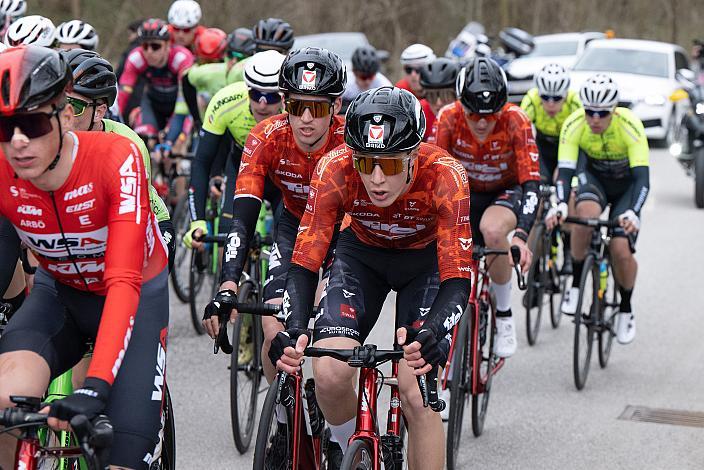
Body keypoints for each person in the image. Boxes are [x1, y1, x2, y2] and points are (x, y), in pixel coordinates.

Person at [268, 86, 472, 469]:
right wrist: (292, 328)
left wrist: (434, 334)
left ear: (413, 156)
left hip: (424, 265)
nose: (377, 178)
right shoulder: (334, 168)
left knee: (416, 390)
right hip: (362, 257)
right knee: (328, 370)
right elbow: (305, 263)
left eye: (391, 165)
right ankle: (349, 452)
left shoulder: (446, 175)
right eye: (366, 163)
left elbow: (458, 280)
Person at [0, 45, 169, 470]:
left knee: (122, 458)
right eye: (5, 129)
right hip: (60, 295)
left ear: (64, 115)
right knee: (3, 407)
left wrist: (95, 387)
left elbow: (124, 282)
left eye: (33, 123)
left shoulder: (117, 159)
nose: (18, 142)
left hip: (134, 300)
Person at [201, 47, 346, 415]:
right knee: (272, 333)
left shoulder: (350, 141)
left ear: (336, 106)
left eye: (318, 107)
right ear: (285, 103)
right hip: (294, 226)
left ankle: (335, 427)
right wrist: (228, 284)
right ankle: (283, 416)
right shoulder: (266, 136)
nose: (307, 119)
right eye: (298, 107)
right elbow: (243, 218)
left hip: (344, 234)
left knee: (323, 330)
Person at [432, 57, 540, 358]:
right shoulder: (448, 117)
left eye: (490, 115)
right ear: (460, 106)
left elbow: (531, 183)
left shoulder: (516, 119)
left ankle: (504, 314)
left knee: (493, 232)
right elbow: (433, 176)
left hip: (503, 193)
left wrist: (520, 236)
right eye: (473, 114)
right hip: (464, 193)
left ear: (502, 109)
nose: (481, 122)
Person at [546, 74, 648, 345]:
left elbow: (642, 179)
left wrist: (633, 213)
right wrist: (559, 203)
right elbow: (565, 174)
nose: (595, 119)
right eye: (590, 111)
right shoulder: (574, 124)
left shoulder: (630, 126)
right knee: (583, 219)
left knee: (620, 249)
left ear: (613, 109)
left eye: (602, 113)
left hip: (626, 189)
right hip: (596, 182)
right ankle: (577, 285)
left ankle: (626, 308)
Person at [61, 48, 176, 268]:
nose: (61, 114)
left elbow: (132, 223)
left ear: (99, 111)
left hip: (145, 223)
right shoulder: (49, 135)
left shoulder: (127, 144)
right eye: (57, 103)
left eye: (73, 106)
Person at [183, 50, 286, 247]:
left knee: (287, 245)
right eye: (256, 94)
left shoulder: (297, 110)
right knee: (227, 240)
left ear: (284, 96)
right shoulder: (226, 101)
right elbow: (202, 162)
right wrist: (197, 221)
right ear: (247, 90)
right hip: (241, 169)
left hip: (282, 175)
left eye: (271, 97)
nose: (262, 105)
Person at [118, 18, 194, 140]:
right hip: (152, 103)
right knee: (144, 138)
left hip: (178, 104)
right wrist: (114, 123)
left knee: (175, 140)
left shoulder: (181, 58)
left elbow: (183, 104)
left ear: (168, 45)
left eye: (155, 46)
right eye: (145, 46)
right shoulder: (136, 58)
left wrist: (169, 134)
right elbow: (123, 93)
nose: (149, 52)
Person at [520, 64, 582, 183]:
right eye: (545, 97)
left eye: (557, 98)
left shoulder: (574, 102)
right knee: (539, 181)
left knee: (564, 181)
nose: (551, 104)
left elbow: (581, 138)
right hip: (542, 146)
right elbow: (524, 135)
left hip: (568, 144)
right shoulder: (531, 100)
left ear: (565, 95)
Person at [181, 27, 252, 126]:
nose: (234, 62)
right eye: (230, 55)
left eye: (241, 58)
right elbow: (186, 78)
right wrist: (197, 120)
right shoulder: (213, 72)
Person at [227, 17, 294, 83]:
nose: (269, 56)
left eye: (277, 52)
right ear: (254, 51)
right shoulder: (238, 72)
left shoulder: (293, 73)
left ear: (287, 53)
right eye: (262, 51)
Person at [420, 57, 459, 141]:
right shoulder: (419, 113)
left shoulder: (466, 115)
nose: (438, 103)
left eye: (445, 96)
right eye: (432, 96)